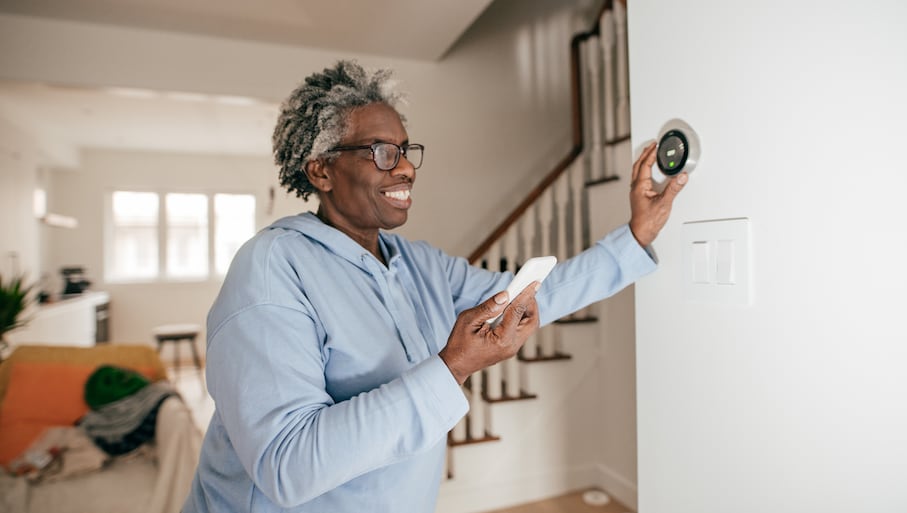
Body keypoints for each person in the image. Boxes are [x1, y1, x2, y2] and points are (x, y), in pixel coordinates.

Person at [183, 60, 686, 513]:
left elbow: (529, 294)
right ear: (321, 170)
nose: (404, 167)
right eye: (381, 152)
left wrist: (636, 236)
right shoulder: (272, 269)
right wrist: (455, 366)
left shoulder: (418, 263)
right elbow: (287, 466)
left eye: (404, 151)